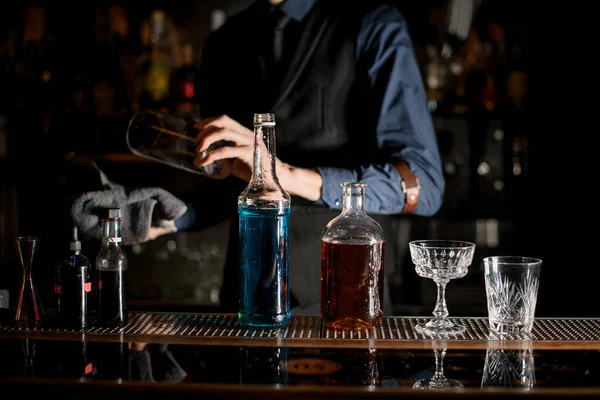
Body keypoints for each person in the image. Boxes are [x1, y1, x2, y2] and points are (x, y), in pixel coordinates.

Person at [159, 0, 445, 315]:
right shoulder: (224, 41)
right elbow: (227, 178)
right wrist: (163, 218)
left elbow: (425, 185)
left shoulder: (372, 23)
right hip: (246, 299)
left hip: (347, 299)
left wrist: (286, 174)